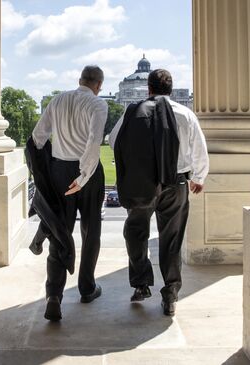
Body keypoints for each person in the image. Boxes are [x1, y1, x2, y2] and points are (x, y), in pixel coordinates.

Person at [109, 69, 209, 316]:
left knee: (135, 233)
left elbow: (113, 140)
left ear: (149, 89)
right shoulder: (185, 113)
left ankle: (142, 284)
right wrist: (198, 177)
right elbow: (199, 149)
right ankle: (171, 292)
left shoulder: (133, 112)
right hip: (177, 184)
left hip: (142, 183)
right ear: (171, 90)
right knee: (171, 239)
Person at [31, 65, 108, 321]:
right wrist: (83, 176)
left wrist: (46, 168)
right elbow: (93, 143)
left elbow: (38, 137)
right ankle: (87, 288)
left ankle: (54, 294)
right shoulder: (98, 105)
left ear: (80, 80)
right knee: (91, 229)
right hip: (87, 172)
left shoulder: (58, 99)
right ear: (98, 85)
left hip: (59, 171)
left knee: (59, 231)